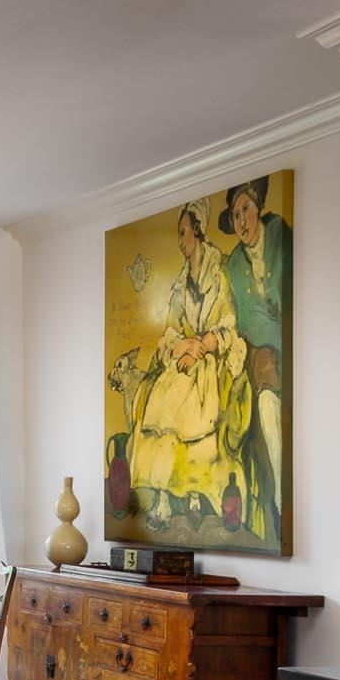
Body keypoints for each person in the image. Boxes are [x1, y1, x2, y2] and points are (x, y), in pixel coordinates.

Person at [126, 200, 252, 530]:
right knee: (159, 402)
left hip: (210, 361)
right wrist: (182, 346)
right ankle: (164, 500)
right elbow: (168, 330)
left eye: (183, 233)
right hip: (184, 359)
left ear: (196, 230)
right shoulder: (181, 283)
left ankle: (195, 494)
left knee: (191, 406)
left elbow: (228, 326)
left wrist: (201, 345)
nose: (181, 240)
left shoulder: (218, 274)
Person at [220, 177, 289, 546]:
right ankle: (277, 497)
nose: (242, 222)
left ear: (258, 206)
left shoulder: (280, 235)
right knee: (264, 396)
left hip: (292, 346)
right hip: (261, 351)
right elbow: (247, 320)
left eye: (245, 210)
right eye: (235, 216)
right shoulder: (233, 263)